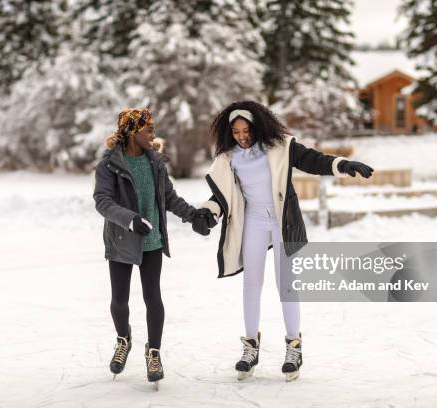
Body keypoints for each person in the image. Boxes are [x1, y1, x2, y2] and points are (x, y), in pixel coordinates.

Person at [196, 100, 374, 381]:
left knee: (287, 286)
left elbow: (314, 160)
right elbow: (222, 196)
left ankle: (294, 347)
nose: (242, 136)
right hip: (253, 221)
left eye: (246, 130)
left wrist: (343, 165)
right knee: (251, 284)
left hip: (282, 220)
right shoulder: (228, 158)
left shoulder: (281, 146)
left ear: (258, 126)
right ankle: (250, 347)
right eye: (236, 132)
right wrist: (206, 214)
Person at [93, 108, 212, 384]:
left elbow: (169, 197)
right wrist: (131, 220)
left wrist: (193, 216)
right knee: (120, 300)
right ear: (132, 132)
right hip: (123, 238)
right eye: (148, 130)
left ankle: (154, 351)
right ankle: (124, 339)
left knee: (153, 297)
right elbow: (103, 201)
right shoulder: (110, 164)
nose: (153, 135)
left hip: (152, 241)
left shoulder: (155, 162)